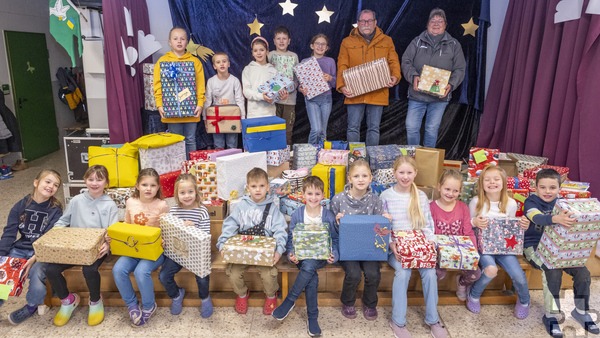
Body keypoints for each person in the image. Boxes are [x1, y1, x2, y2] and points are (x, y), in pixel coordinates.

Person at [523, 169, 599, 337]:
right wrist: (555, 219)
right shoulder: (530, 202)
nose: (547, 191)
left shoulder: (563, 204)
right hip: (534, 246)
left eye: (552, 187)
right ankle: (551, 316)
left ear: (559, 188)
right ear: (535, 187)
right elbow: (536, 218)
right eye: (543, 187)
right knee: (552, 271)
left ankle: (581, 310)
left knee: (583, 273)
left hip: (561, 248)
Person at [380, 156, 448, 338]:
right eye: (401, 172)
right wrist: (390, 244)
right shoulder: (386, 196)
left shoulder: (421, 196)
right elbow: (380, 226)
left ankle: (433, 319)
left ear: (415, 173)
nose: (405, 176)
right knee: (403, 272)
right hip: (396, 248)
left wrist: (430, 245)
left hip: (418, 247)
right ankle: (398, 321)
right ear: (394, 173)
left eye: (409, 172)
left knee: (430, 272)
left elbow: (427, 225)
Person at [45, 165, 118, 327]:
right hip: (74, 248)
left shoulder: (110, 205)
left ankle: (95, 301)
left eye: (99, 179)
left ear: (107, 182)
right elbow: (63, 221)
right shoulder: (76, 200)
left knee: (89, 269)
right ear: (85, 180)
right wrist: (56, 234)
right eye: (90, 179)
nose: (94, 183)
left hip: (96, 249)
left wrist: (107, 245)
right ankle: (67, 300)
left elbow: (113, 231)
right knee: (50, 269)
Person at [272, 176, 339, 336]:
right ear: (303, 194)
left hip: (321, 257)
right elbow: (291, 238)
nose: (313, 197)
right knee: (310, 273)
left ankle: (289, 301)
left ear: (323, 195)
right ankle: (312, 318)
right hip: (301, 257)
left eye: (317, 194)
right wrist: (291, 254)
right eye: (310, 193)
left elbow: (335, 239)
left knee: (309, 266)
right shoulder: (298, 214)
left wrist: (334, 255)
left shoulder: (328, 215)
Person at [216, 168, 288, 315]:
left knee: (269, 275)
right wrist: (223, 244)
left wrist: (279, 250)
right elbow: (230, 225)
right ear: (248, 188)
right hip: (242, 249)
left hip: (265, 251)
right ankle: (242, 294)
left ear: (267, 187)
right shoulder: (241, 206)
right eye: (254, 186)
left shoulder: (272, 208)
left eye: (262, 186)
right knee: (233, 273)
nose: (258, 190)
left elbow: (281, 230)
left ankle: (271, 295)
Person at [466, 166, 531, 318]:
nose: (492, 182)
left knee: (518, 275)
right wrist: (475, 221)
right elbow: (468, 225)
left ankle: (525, 301)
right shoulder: (476, 202)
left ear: (503, 183)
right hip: (483, 248)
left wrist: (523, 226)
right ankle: (474, 294)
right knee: (491, 270)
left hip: (504, 249)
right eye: (487, 180)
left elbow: (512, 228)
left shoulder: (511, 203)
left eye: (496, 179)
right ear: (481, 184)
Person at [0, 169, 63, 325]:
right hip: (21, 247)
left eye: (55, 185)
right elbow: (9, 232)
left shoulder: (55, 210)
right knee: (4, 273)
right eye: (47, 182)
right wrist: (2, 255)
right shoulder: (20, 205)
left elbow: (50, 239)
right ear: (36, 183)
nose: (51, 186)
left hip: (41, 252)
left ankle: (31, 306)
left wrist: (35, 258)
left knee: (36, 275)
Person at [331, 159, 389, 320]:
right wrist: (337, 221)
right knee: (354, 274)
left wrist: (385, 221)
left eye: (365, 176)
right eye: (356, 176)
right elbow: (332, 230)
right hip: (347, 249)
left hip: (369, 248)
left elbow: (380, 230)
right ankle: (348, 302)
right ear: (349, 178)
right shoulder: (338, 200)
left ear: (371, 178)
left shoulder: (375, 200)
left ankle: (370, 303)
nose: (361, 179)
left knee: (373, 274)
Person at [112, 168, 169, 327]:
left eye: (153, 185)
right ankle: (131, 304)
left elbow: (167, 229)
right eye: (144, 184)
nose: (148, 188)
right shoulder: (131, 202)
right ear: (137, 185)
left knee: (141, 271)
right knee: (118, 269)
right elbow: (127, 225)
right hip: (133, 249)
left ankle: (149, 305)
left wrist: (164, 240)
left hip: (154, 251)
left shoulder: (162, 205)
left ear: (158, 187)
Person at [401, 8, 466, 147]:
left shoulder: (454, 45)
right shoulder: (417, 41)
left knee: (431, 129)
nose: (436, 23)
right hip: (417, 95)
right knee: (411, 127)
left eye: (440, 21)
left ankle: (427, 162)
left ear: (445, 24)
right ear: (427, 24)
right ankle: (412, 160)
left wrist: (451, 84)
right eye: (433, 20)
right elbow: (406, 61)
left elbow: (460, 69)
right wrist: (413, 77)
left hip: (439, 98)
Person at [337, 9, 401, 146]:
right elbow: (342, 64)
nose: (366, 23)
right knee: (353, 128)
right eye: (362, 21)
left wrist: (395, 76)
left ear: (375, 22)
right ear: (358, 23)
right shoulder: (347, 42)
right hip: (354, 92)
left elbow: (393, 61)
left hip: (378, 92)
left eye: (369, 20)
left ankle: (372, 162)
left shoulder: (387, 40)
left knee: (374, 128)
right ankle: (354, 161)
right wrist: (342, 86)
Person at [159, 173, 214, 318]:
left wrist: (193, 227)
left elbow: (206, 236)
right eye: (182, 192)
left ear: (196, 192)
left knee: (203, 276)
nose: (187, 196)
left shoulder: (202, 211)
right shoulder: (174, 210)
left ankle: (205, 298)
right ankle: (176, 295)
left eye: (190, 191)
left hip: (197, 253)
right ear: (177, 194)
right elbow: (169, 233)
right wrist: (165, 221)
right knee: (164, 275)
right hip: (178, 252)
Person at [154, 27, 206, 157]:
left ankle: (191, 168)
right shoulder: (163, 62)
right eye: (175, 38)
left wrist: (200, 103)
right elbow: (157, 85)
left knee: (190, 139)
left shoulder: (195, 61)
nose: (179, 41)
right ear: (169, 42)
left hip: (191, 110)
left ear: (187, 42)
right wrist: (160, 104)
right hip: (171, 111)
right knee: (176, 141)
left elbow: (200, 84)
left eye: (182, 39)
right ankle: (178, 169)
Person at [430, 169, 481, 300]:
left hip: (461, 253)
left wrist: (473, 252)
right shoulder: (431, 208)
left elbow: (468, 232)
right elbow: (429, 232)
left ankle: (461, 283)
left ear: (460, 191)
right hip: (438, 252)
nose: (451, 193)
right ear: (439, 187)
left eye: (455, 191)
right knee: (436, 273)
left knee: (476, 273)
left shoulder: (463, 207)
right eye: (447, 189)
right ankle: (431, 292)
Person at [299, 34, 336, 145]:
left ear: (327, 47)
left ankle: (322, 156)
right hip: (312, 99)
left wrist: (330, 78)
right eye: (317, 44)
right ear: (312, 46)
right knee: (316, 129)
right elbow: (300, 84)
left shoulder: (330, 61)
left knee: (323, 132)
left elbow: (335, 82)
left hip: (326, 99)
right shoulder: (305, 61)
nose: (320, 46)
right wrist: (301, 90)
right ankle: (310, 153)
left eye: (323, 44)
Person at [203, 52, 245, 149]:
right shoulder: (211, 81)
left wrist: (242, 118)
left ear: (229, 64)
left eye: (224, 61)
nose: (222, 64)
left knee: (232, 144)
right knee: (218, 145)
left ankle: (233, 164)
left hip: (232, 117)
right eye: (218, 62)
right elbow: (207, 101)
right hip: (216, 118)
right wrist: (205, 119)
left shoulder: (234, 81)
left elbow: (240, 100)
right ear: (214, 66)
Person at [242, 37, 289, 118]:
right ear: (252, 53)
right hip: (253, 114)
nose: (259, 53)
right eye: (255, 50)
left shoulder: (273, 70)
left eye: (262, 50)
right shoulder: (248, 69)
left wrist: (282, 96)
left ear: (267, 51)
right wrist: (261, 96)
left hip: (270, 113)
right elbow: (246, 91)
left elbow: (277, 91)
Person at [269, 26, 299, 145]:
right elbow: (266, 76)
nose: (281, 41)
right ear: (274, 41)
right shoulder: (270, 55)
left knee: (287, 130)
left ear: (289, 41)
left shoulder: (294, 56)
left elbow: (297, 78)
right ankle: (273, 157)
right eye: (278, 38)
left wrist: (289, 89)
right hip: (273, 100)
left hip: (289, 100)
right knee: (274, 129)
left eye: (284, 38)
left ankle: (286, 159)